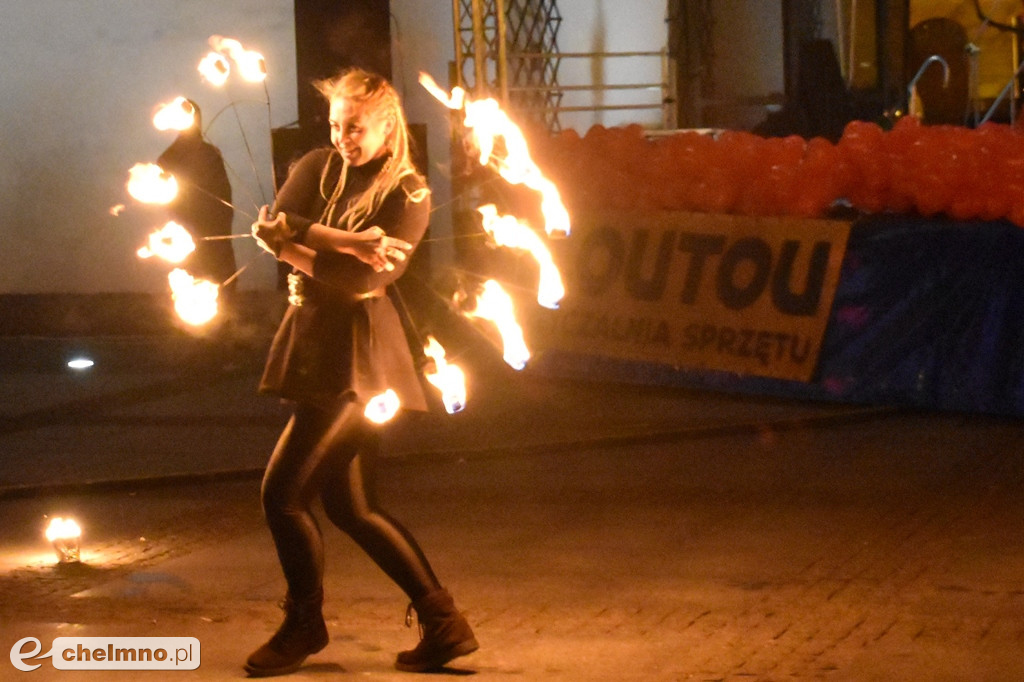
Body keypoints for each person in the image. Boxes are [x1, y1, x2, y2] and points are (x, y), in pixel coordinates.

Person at [244, 67, 478, 677]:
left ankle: (304, 625)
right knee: (352, 507)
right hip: (315, 347)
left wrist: (292, 245)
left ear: (386, 125)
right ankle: (444, 623)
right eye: (335, 124)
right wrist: (338, 239)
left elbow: (361, 282)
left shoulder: (410, 194)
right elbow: (278, 219)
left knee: (283, 494)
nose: (343, 136)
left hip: (363, 363)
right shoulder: (317, 166)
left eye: (355, 126)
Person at [157, 100, 238, 307]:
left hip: (215, 231)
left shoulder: (209, 153)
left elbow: (224, 192)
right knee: (193, 284)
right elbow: (168, 202)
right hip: (189, 233)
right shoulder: (169, 158)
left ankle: (224, 329)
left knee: (221, 284)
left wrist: (224, 221)